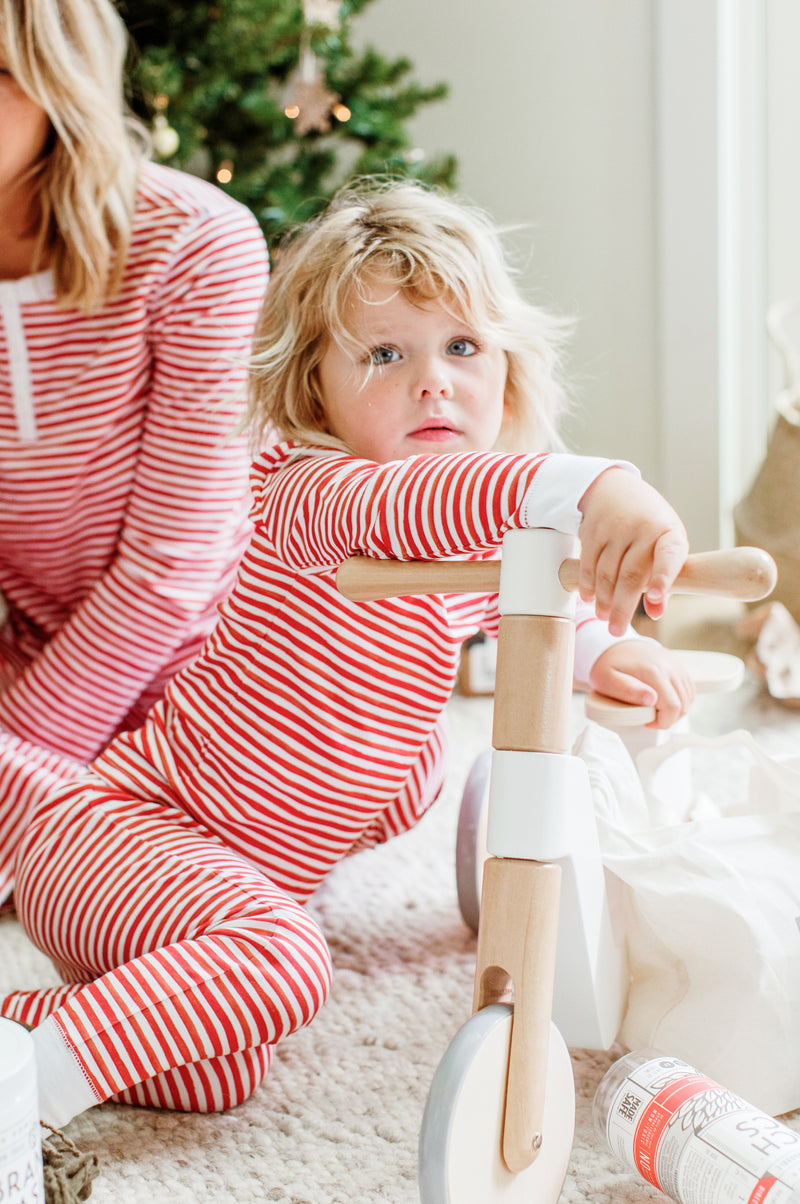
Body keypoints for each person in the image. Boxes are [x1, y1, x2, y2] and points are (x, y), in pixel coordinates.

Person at [1, 179, 693, 1128]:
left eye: (461, 347)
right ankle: (26, 1094)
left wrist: (601, 652)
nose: (433, 380)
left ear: (508, 369)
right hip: (115, 835)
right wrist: (597, 487)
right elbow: (425, 505)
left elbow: (534, 603)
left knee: (221, 1070)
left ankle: (26, 1032)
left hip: (204, 898)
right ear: (313, 385)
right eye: (384, 354)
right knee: (287, 958)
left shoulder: (470, 534)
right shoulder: (310, 495)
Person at [0, 0, 269, 901]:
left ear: (57, 81)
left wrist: (21, 760)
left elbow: (176, 565)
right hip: (36, 663)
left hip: (218, 678)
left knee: (233, 904)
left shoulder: (197, 244)